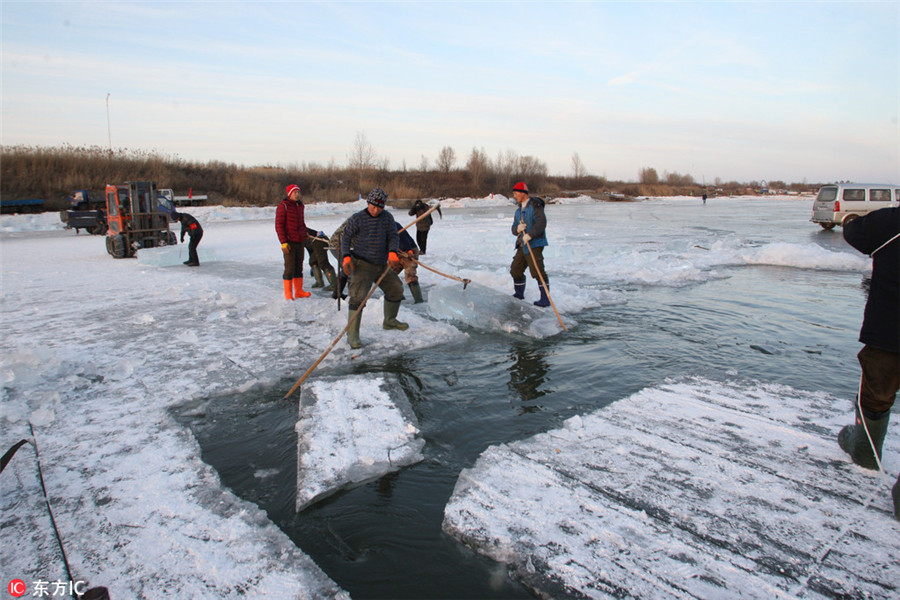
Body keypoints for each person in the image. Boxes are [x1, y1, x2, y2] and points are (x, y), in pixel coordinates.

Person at [836, 206, 899, 519]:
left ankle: (865, 452)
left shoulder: (890, 224)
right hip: (887, 333)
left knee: (875, 394)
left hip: (888, 331)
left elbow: (852, 230)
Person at [340, 188, 407, 349]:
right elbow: (346, 237)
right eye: (373, 206)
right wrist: (346, 256)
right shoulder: (358, 218)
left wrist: (392, 252)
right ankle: (352, 335)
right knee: (358, 298)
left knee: (396, 289)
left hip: (382, 265)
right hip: (362, 264)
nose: (376, 210)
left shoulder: (387, 218)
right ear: (368, 203)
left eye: (379, 207)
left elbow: (393, 236)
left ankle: (389, 321)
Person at [509, 181, 550, 307]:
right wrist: (518, 229)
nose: (514, 196)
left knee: (537, 271)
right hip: (522, 244)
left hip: (535, 243)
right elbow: (513, 229)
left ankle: (545, 299)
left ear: (523, 193)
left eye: (516, 193)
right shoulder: (518, 211)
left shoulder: (535, 206)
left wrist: (530, 235)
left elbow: (541, 223)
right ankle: (519, 294)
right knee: (515, 270)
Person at [275, 184, 310, 300]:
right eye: (295, 192)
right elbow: (279, 225)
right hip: (289, 242)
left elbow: (302, 223)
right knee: (289, 268)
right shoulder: (283, 206)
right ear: (289, 194)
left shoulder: (300, 206)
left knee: (298, 267)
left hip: (300, 241)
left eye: (298, 192)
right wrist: (283, 242)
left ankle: (299, 291)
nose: (297, 194)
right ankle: (288, 293)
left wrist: (305, 233)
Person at [393, 222, 425, 303]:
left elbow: (404, 240)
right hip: (396, 252)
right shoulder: (376, 229)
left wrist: (409, 252)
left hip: (409, 250)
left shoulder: (392, 225)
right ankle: (399, 294)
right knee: (389, 275)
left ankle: (418, 300)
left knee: (410, 275)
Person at [305, 227, 337, 291]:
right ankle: (319, 283)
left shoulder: (297, 230)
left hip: (320, 240)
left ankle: (334, 285)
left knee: (323, 263)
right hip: (316, 242)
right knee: (313, 261)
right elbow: (309, 249)